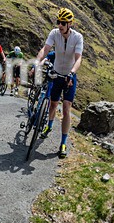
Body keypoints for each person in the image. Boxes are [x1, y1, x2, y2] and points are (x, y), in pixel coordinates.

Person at [35, 8, 83, 159]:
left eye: (63, 22)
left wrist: (72, 73)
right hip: (56, 74)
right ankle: (49, 126)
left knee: (67, 108)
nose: (60, 25)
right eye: (58, 22)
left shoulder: (77, 37)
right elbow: (46, 49)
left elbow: (78, 58)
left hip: (69, 75)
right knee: (53, 104)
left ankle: (63, 142)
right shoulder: (54, 33)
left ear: (69, 24)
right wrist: (37, 62)